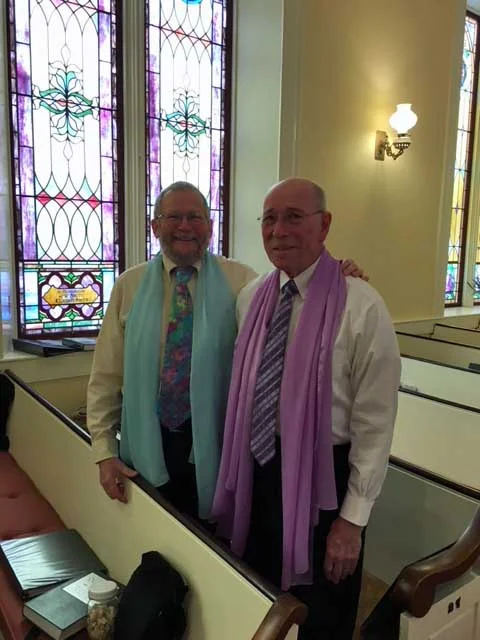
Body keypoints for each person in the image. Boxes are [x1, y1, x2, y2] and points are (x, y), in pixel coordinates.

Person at [87, 180, 367, 524]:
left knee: (213, 540)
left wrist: (335, 275)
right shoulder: (128, 285)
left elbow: (296, 294)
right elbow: (106, 376)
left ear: (209, 226)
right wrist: (104, 452)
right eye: (174, 217)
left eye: (195, 217)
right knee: (151, 532)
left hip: (221, 442)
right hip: (146, 440)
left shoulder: (244, 282)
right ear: (155, 226)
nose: (185, 226)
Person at [212, 178, 401, 639]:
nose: (279, 230)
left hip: (324, 483)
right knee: (262, 602)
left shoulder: (362, 306)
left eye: (294, 217)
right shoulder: (252, 297)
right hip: (259, 469)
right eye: (270, 219)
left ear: (324, 225)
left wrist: (352, 521)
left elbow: (375, 426)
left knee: (322, 614)